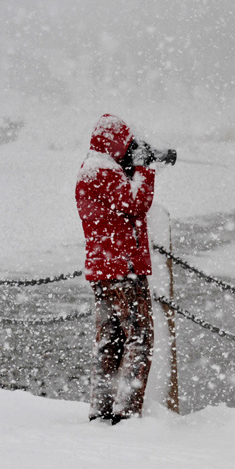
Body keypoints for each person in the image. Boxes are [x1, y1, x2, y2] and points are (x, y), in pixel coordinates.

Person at [75, 114, 156, 424]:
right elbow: (137, 204)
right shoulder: (105, 173)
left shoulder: (90, 170)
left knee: (110, 341)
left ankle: (102, 406)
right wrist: (144, 169)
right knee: (140, 339)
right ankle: (127, 410)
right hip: (124, 269)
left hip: (103, 269)